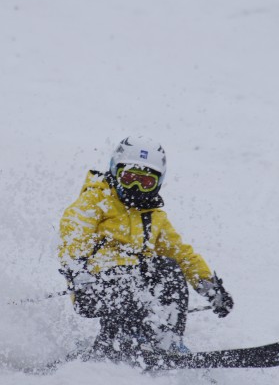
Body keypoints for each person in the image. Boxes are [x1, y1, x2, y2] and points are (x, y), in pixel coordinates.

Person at [58, 136, 233, 363]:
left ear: (158, 183)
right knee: (126, 280)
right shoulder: (95, 200)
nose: (136, 188)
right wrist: (79, 274)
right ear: (114, 171)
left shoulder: (154, 217)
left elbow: (183, 254)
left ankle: (167, 341)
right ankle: (118, 342)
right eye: (129, 178)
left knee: (169, 268)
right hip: (92, 286)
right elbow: (73, 235)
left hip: (137, 284)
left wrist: (210, 288)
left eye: (146, 182)